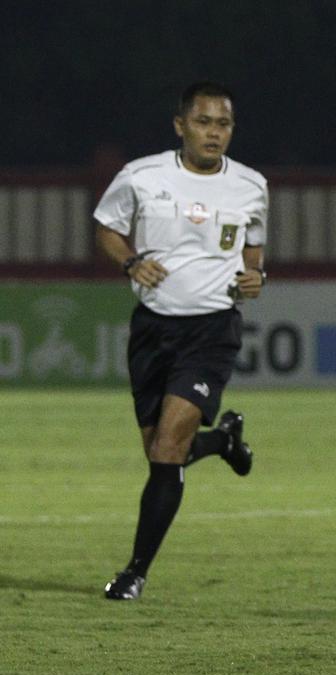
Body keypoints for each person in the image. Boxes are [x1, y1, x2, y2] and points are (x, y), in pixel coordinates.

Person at [94, 81, 267, 600]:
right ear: (180, 126)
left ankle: (135, 572)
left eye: (224, 124)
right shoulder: (142, 177)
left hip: (212, 329)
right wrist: (130, 260)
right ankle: (222, 440)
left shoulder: (251, 185)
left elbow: (253, 250)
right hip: (152, 328)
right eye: (204, 122)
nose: (214, 133)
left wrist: (255, 278)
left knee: (168, 449)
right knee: (159, 451)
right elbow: (105, 226)